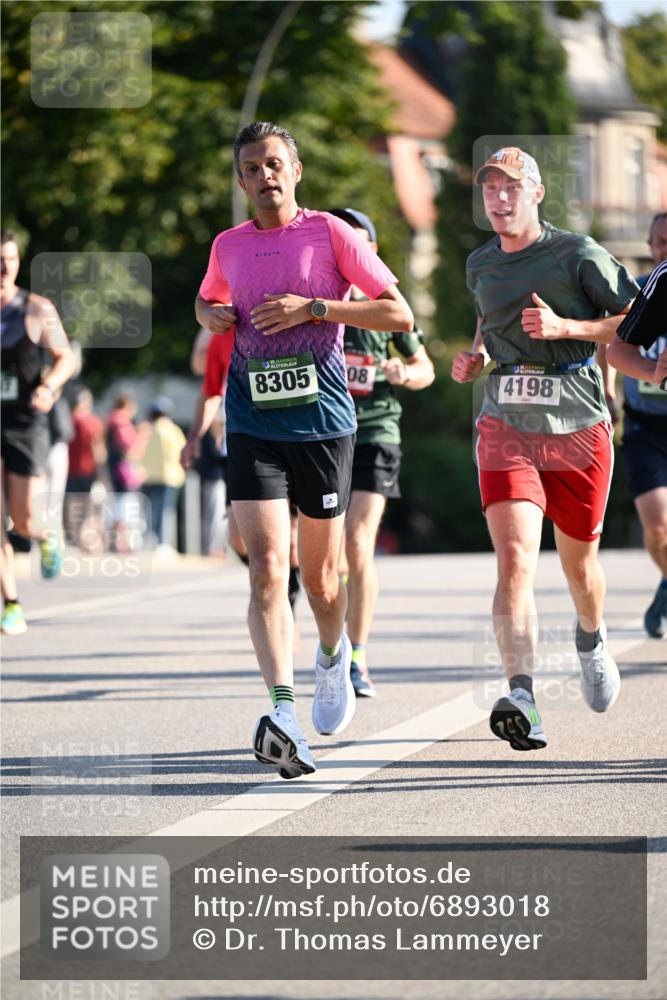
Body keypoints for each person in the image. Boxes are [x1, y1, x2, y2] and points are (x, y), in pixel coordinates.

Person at [195, 120, 413, 779]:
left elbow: (397, 313)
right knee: (267, 567)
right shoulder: (227, 245)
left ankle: (331, 652)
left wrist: (315, 308)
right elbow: (207, 302)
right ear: (240, 181)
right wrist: (210, 315)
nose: (264, 176)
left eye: (274, 164)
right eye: (252, 167)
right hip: (252, 421)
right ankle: (283, 712)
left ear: (295, 172)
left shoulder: (329, 234)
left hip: (322, 425)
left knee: (322, 578)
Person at [451, 147, 638, 751]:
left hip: (578, 426)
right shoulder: (480, 263)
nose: (499, 200)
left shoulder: (577, 254)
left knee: (580, 566)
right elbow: (488, 322)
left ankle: (591, 636)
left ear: (536, 194)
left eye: (511, 189)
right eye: (490, 190)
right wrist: (477, 358)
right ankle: (524, 697)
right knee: (514, 560)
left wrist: (567, 329)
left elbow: (636, 321)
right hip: (506, 426)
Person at [329, 208, 435, 696]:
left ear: (370, 252)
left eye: (356, 243)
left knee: (357, 542)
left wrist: (403, 375)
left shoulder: (387, 306)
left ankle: (356, 655)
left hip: (376, 431)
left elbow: (425, 368)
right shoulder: (315, 301)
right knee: (323, 551)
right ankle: (329, 644)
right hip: (322, 434)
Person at [1, 230, 74, 634]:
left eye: (8, 259)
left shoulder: (35, 309)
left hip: (26, 421)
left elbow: (64, 357)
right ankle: (11, 602)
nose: (3, 267)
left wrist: (49, 385)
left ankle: (44, 535)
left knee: (23, 518)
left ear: (17, 261)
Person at [606, 242, 667, 638]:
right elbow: (615, 348)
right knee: (659, 528)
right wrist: (654, 374)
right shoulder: (655, 285)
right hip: (647, 425)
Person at [140, 396, 186, 549]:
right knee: (165, 512)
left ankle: (151, 541)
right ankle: (162, 543)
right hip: (170, 477)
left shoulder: (147, 430)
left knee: (150, 512)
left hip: (148, 477)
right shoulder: (174, 430)